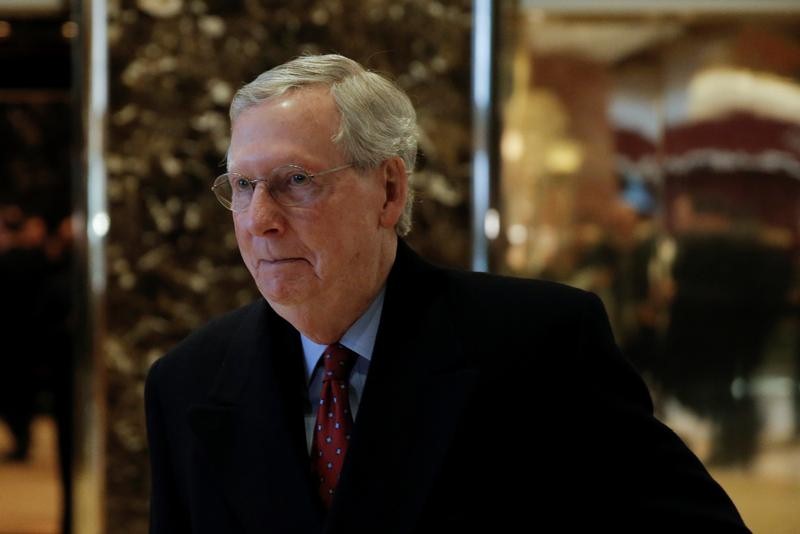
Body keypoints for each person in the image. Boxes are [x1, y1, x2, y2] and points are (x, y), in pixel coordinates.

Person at [145, 54, 750, 533]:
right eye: (244, 185)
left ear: (388, 191)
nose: (259, 219)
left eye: (296, 181)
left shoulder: (540, 346)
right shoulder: (187, 382)